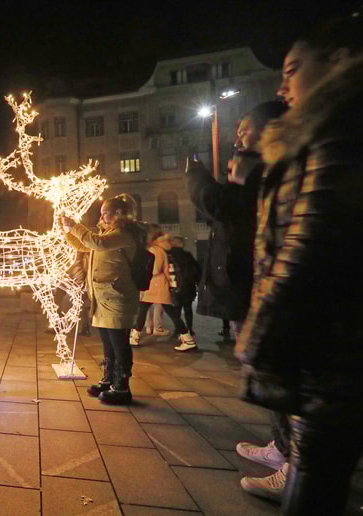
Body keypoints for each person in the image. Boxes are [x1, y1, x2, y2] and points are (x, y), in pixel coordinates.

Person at [236, 13, 363, 514]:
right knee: (319, 471)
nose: (282, 83)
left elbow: (311, 243)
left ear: (337, 61)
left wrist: (260, 333)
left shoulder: (338, 131)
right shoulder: (330, 130)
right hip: (333, 346)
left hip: (334, 349)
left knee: (315, 483)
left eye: (292, 68)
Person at [187, 102, 292, 502]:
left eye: (246, 128)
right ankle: (283, 448)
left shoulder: (276, 168)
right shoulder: (269, 167)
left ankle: (294, 466)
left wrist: (196, 174)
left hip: (270, 289)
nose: (238, 136)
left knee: (279, 374)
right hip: (257, 285)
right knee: (267, 373)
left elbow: (224, 207)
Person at [61, 194, 145, 405]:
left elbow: (96, 243)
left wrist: (76, 226)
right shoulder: (107, 234)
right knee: (108, 343)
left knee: (119, 343)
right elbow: (84, 246)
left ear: (118, 213)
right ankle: (108, 380)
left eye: (105, 212)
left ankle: (122, 387)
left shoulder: (124, 234)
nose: (102, 216)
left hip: (118, 298)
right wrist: (67, 230)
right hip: (103, 298)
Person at [130, 224, 197, 351]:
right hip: (157, 285)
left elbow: (155, 269)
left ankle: (187, 339)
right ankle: (135, 336)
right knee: (146, 310)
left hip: (156, 284)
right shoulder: (160, 247)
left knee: (156, 311)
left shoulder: (155, 249)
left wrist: (143, 271)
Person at [168, 236, 201, 337]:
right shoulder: (187, 255)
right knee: (188, 309)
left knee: (176, 308)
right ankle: (190, 328)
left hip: (174, 285)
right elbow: (197, 269)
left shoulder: (169, 256)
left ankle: (178, 328)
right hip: (188, 285)